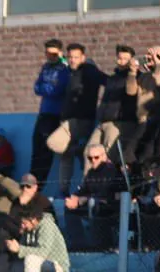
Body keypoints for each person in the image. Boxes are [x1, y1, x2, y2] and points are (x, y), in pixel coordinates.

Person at [56, 43, 107, 198]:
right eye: (70, 57)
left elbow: (107, 81)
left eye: (76, 58)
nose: (72, 60)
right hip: (67, 119)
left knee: (86, 154)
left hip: (83, 119)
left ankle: (84, 190)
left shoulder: (90, 72)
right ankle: (64, 189)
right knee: (65, 154)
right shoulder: (69, 73)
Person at [1, 211, 69, 272]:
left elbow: (43, 252)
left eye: (24, 223)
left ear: (33, 220)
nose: (22, 226)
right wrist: (12, 247)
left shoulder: (47, 225)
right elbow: (22, 253)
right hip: (38, 268)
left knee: (31, 259)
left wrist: (19, 249)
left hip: (56, 269)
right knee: (8, 269)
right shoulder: (28, 230)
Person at [63, 144, 122, 250]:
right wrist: (75, 197)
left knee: (95, 204)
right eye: (90, 158)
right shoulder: (91, 172)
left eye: (96, 157)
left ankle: (103, 245)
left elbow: (105, 192)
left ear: (104, 156)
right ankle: (78, 243)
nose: (93, 160)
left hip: (110, 205)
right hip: (92, 202)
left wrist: (84, 199)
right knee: (68, 206)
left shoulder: (111, 171)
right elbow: (84, 189)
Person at [32, 39, 71, 182]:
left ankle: (39, 184)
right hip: (44, 112)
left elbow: (58, 89)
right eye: (47, 54)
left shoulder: (64, 68)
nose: (50, 57)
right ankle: (33, 181)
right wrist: (47, 88)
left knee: (46, 152)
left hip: (57, 114)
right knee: (37, 150)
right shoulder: (46, 67)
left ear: (60, 53)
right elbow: (37, 87)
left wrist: (46, 88)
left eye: (53, 54)